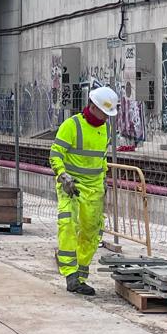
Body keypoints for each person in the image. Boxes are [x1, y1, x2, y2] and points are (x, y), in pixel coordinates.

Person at [51, 85, 120, 296]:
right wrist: (63, 176)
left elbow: (101, 159)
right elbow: (56, 154)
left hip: (93, 189)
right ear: (92, 106)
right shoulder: (71, 126)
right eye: (104, 113)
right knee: (68, 224)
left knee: (91, 232)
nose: (106, 118)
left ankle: (80, 276)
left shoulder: (106, 129)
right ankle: (70, 274)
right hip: (70, 185)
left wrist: (104, 181)